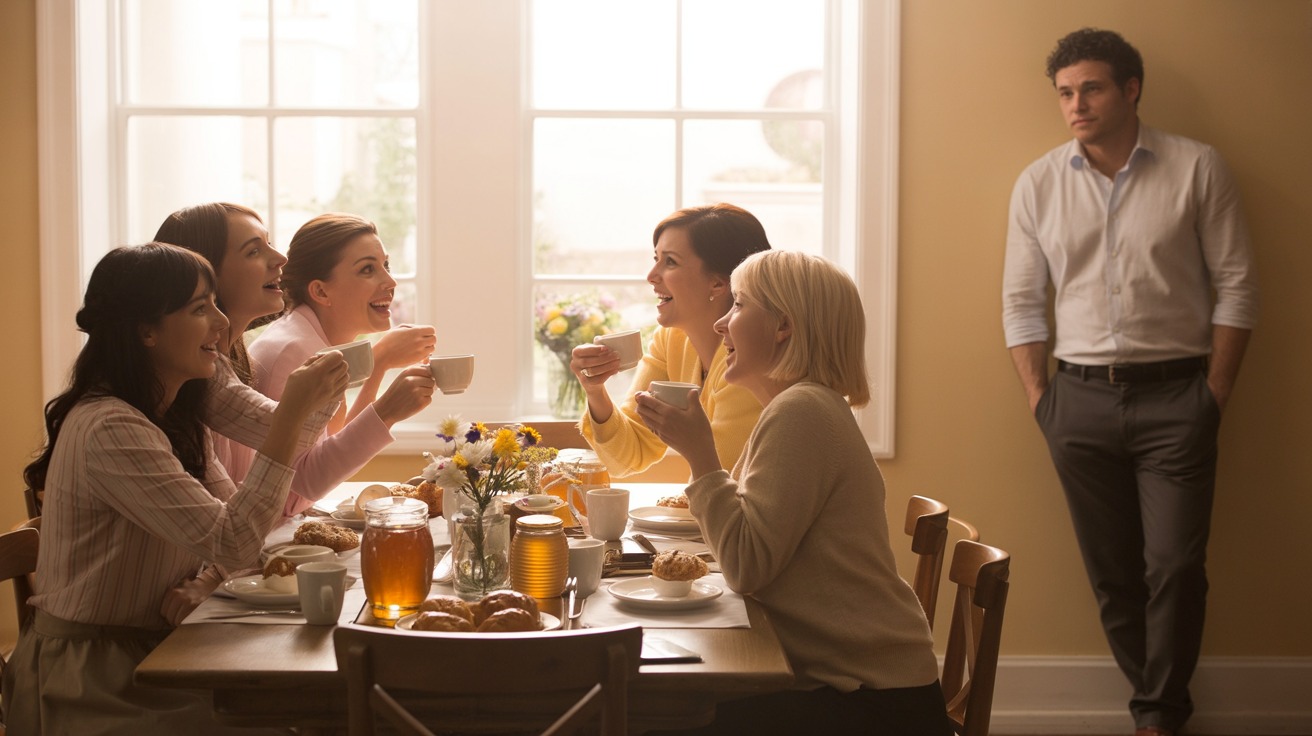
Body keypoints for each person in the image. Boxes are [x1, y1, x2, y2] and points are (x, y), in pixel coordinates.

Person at [1002, 28, 1258, 736]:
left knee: (1175, 566)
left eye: (1091, 88)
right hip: (1077, 399)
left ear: (1131, 90)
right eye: (1064, 93)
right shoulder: (1039, 184)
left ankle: (1156, 718)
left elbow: (1237, 287)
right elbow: (1021, 302)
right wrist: (1041, 401)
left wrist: (1213, 395)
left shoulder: (1197, 168)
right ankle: (1159, 708)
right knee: (1113, 575)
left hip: (1179, 398)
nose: (1076, 105)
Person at [1, 243, 347, 734]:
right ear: (146, 331)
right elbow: (235, 539)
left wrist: (209, 576)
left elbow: (243, 521)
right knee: (305, 719)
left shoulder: (175, 410)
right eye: (200, 308)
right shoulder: (110, 427)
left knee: (315, 706)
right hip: (93, 676)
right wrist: (293, 411)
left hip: (162, 649)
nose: (222, 324)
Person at [637, 250, 950, 735]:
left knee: (654, 713)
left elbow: (746, 566)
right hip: (862, 685)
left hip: (871, 701)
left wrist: (701, 455)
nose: (721, 323)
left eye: (738, 305)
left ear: (783, 326)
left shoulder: (801, 413)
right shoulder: (799, 407)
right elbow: (746, 543)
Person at [155, 204, 435, 517]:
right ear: (204, 275)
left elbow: (316, 447)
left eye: (386, 265)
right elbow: (293, 487)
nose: (280, 259)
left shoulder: (230, 363)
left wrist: (375, 367)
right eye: (253, 251)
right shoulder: (290, 350)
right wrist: (381, 393)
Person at [571, 203, 770, 477]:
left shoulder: (751, 357)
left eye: (670, 262)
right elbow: (629, 454)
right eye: (656, 259)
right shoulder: (672, 339)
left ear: (718, 283)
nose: (651, 276)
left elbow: (726, 483)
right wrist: (595, 390)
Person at [250, 213, 437, 439]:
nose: (391, 282)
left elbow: (334, 448)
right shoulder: (295, 354)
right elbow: (318, 462)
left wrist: (378, 364)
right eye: (367, 269)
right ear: (321, 291)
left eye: (385, 265)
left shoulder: (308, 338)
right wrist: (380, 367)